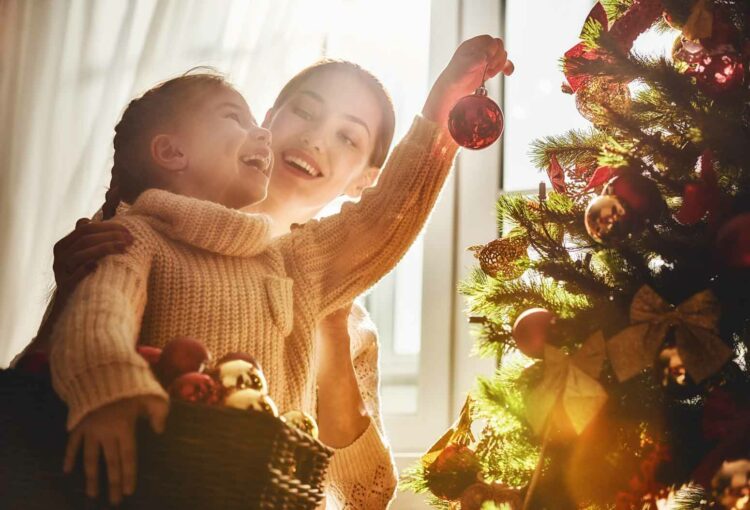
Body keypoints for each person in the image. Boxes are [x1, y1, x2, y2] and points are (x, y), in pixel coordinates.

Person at [21, 35, 514, 507]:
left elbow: (367, 496)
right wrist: (77, 311)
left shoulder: (309, 272)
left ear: (365, 181)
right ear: (269, 121)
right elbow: (44, 390)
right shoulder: (134, 237)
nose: (315, 138)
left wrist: (446, 103)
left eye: (347, 136)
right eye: (303, 110)